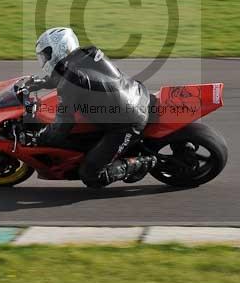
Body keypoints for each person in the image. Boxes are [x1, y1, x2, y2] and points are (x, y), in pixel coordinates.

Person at [24, 27, 157, 188]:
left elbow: (63, 125)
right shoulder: (87, 53)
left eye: (45, 54)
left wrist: (40, 138)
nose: (44, 60)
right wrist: (42, 82)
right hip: (137, 94)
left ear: (58, 49)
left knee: (91, 175)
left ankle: (145, 162)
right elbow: (70, 76)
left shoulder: (70, 82)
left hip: (127, 123)